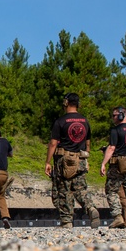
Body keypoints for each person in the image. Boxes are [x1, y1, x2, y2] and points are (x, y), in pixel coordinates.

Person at [44, 93, 101, 229]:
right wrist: (86, 159)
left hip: (63, 160)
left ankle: (67, 221)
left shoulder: (60, 121)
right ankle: (91, 208)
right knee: (80, 189)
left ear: (66, 103)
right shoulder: (85, 121)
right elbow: (88, 143)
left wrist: (47, 161)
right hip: (80, 158)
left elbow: (53, 143)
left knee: (64, 190)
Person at [99, 106, 126, 229]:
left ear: (122, 115)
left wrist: (103, 163)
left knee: (111, 190)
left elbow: (112, 148)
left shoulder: (116, 130)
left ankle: (118, 217)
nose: (113, 118)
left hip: (119, 163)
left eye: (114, 115)